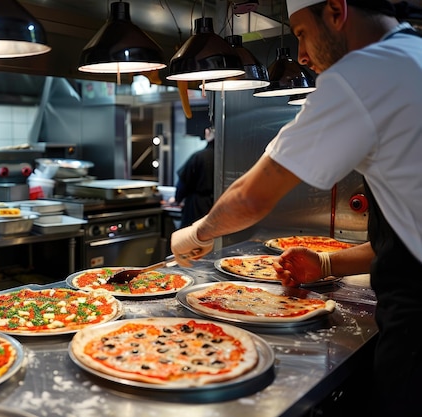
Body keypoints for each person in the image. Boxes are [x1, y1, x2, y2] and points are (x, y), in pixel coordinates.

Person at [170, 0, 422, 415]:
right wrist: (325, 264)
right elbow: (403, 236)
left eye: (302, 32)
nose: (301, 55)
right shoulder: (410, 57)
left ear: (337, 11)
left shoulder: (365, 72)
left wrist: (195, 234)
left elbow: (253, 196)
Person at [173, 126, 215, 228]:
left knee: (192, 239)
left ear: (207, 132)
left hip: (196, 208)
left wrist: (177, 199)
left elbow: (183, 183)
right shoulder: (226, 156)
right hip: (217, 208)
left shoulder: (199, 156)